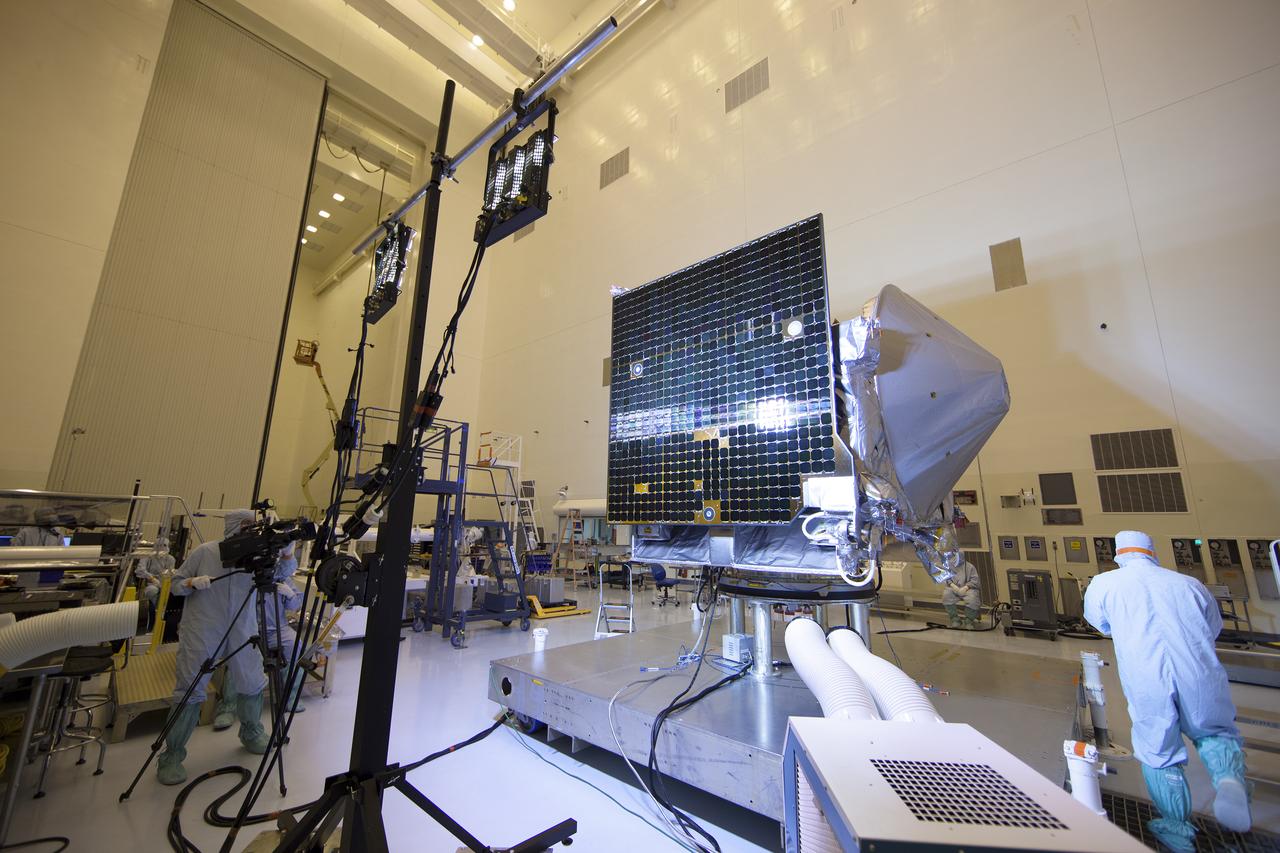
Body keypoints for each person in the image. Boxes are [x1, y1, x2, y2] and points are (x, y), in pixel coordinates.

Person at [1083, 530, 1250, 852]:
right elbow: (1213, 627)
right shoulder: (1188, 584)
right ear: (1152, 552)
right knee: (1214, 730)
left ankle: (1176, 828)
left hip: (1146, 673)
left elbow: (1099, 623)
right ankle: (1229, 779)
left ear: (1118, 554)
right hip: (1199, 671)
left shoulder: (1105, 583)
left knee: (1159, 748)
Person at [157, 510, 270, 786]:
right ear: (232, 526)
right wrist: (191, 583)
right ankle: (171, 756)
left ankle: (252, 731)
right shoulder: (205, 552)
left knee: (251, 679)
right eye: (245, 525)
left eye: (252, 526)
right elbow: (174, 585)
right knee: (191, 685)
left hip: (242, 625)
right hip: (204, 625)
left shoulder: (254, 557)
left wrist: (287, 552)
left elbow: (279, 573)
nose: (249, 530)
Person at [213, 542, 308, 729]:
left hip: (277, 629)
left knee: (297, 651)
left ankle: (289, 697)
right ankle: (228, 708)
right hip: (249, 630)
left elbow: (295, 606)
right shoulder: (246, 578)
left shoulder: (284, 580)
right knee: (237, 662)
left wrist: (290, 596)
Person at [942, 560, 981, 628]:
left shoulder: (970, 567)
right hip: (954, 588)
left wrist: (966, 587)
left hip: (969, 589)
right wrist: (953, 585)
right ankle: (955, 620)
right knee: (946, 595)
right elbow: (947, 578)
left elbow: (975, 580)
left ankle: (969, 621)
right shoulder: (949, 566)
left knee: (972, 599)